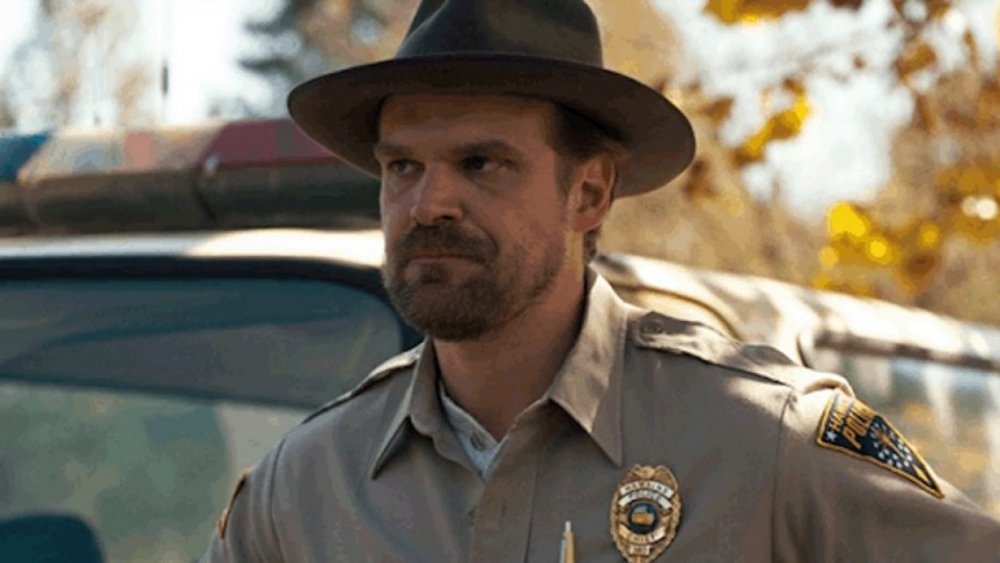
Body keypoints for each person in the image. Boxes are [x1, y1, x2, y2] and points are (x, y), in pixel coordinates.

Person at [202, 1, 1000, 561]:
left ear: (589, 193)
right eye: (402, 166)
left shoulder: (765, 437)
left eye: (481, 162)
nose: (429, 202)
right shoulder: (305, 487)